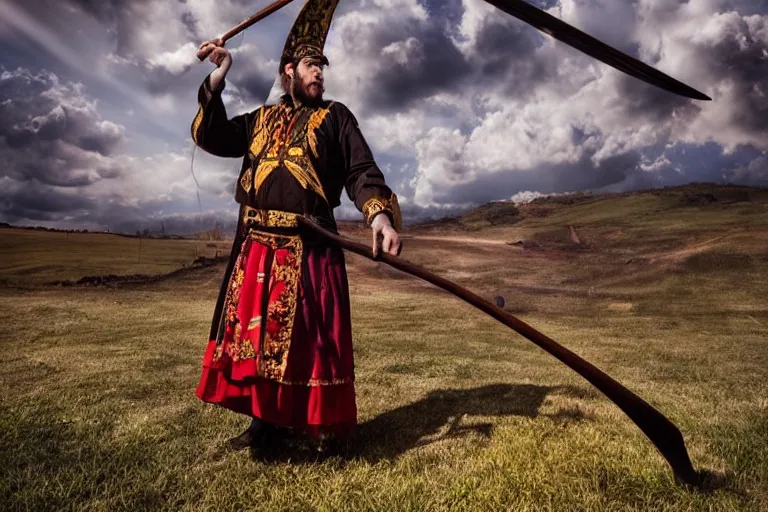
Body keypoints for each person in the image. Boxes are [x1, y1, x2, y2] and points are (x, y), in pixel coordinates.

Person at [191, 0, 402, 454]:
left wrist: (379, 215)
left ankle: (321, 429)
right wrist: (220, 70)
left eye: (322, 67)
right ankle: (263, 426)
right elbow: (209, 137)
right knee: (255, 342)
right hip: (257, 250)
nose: (320, 74)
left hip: (312, 249)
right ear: (289, 71)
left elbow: (362, 170)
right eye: (311, 66)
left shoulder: (336, 117)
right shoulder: (259, 120)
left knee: (313, 343)